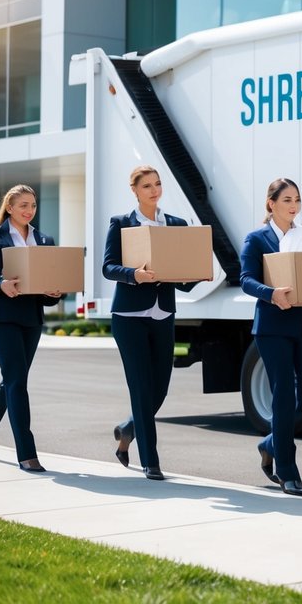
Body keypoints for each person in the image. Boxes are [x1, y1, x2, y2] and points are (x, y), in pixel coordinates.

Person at [103, 166, 198, 480]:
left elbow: (182, 275)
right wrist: (135, 275)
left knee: (161, 387)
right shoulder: (121, 223)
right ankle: (150, 460)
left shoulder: (176, 224)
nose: (154, 190)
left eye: (157, 184)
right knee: (141, 388)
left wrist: (194, 274)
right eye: (147, 186)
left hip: (162, 314)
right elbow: (109, 267)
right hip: (129, 317)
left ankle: (128, 429)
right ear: (135, 190)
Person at [239, 178, 302, 497]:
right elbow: (246, 280)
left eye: (297, 199)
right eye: (287, 199)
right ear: (271, 203)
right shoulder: (257, 239)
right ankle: (287, 470)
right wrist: (271, 293)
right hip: (273, 327)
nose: (293, 205)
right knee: (284, 396)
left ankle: (270, 443)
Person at [0, 184, 62, 472]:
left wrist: (54, 293)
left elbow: (46, 281)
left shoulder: (44, 239)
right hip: (0, 319)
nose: (29, 210)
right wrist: (0, 285)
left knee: (12, 380)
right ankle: (26, 453)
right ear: (9, 207)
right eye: (23, 205)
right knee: (17, 381)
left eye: (32, 205)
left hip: (31, 319)